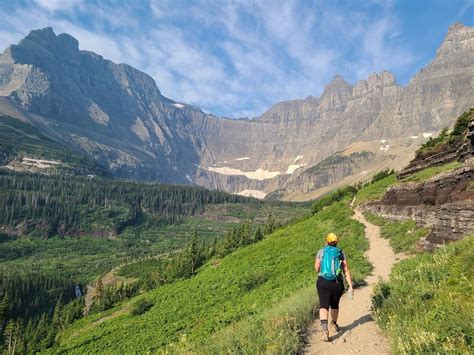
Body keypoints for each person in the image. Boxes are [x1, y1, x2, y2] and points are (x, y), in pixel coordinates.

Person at [314, 232, 354, 341]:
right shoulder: (341, 253)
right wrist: (350, 286)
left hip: (323, 282)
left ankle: (325, 331)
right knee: (335, 304)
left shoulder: (321, 251)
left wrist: (321, 271)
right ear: (337, 242)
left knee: (323, 305)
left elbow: (316, 268)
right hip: (337, 283)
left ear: (326, 241)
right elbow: (346, 270)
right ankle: (334, 324)